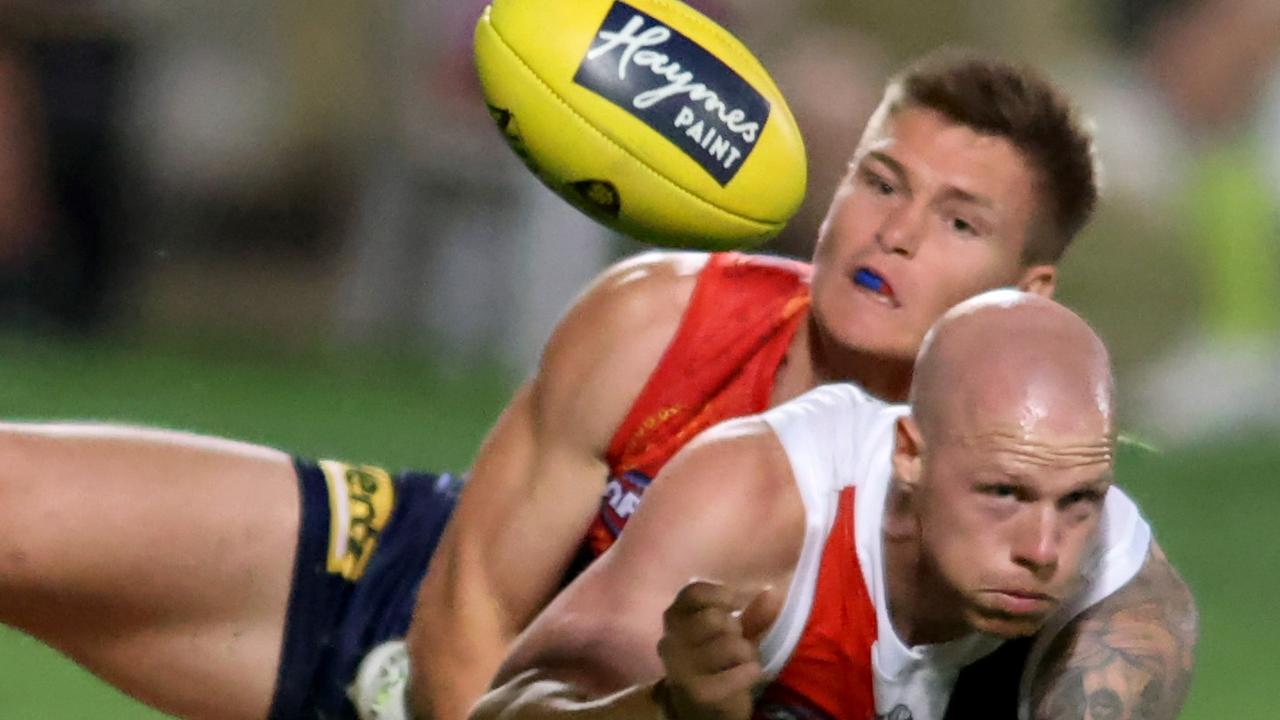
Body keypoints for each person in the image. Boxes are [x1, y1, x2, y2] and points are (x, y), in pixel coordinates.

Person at [0, 51, 1172, 720]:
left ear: (1027, 290)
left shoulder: (1022, 508)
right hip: (416, 610)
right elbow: (463, 617)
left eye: (956, 220)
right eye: (878, 179)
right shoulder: (657, 314)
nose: (893, 232)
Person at [471, 290, 1198, 720]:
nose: (1043, 549)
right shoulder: (760, 501)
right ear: (909, 452)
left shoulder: (1122, 608)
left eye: (1078, 502)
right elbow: (500, 711)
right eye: (1003, 493)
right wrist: (661, 708)